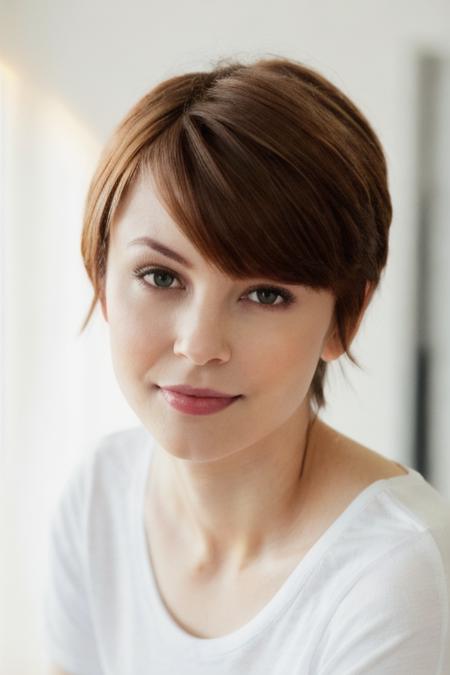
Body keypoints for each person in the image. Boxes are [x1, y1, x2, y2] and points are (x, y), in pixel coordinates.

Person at [44, 55, 450, 674]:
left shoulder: (396, 574)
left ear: (345, 319)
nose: (200, 344)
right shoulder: (97, 499)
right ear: (101, 277)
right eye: (159, 276)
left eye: (265, 294)